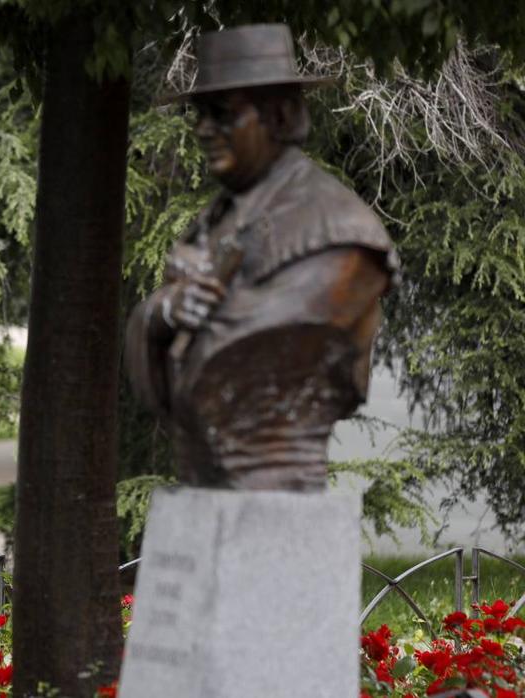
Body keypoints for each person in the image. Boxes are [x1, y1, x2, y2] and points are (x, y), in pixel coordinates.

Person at [124, 24, 399, 491]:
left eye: (222, 114)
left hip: (273, 487)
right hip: (203, 484)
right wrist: (162, 311)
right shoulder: (215, 223)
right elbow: (160, 363)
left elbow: (234, 361)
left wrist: (185, 315)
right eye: (199, 114)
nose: (203, 129)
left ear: (281, 117)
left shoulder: (341, 235)